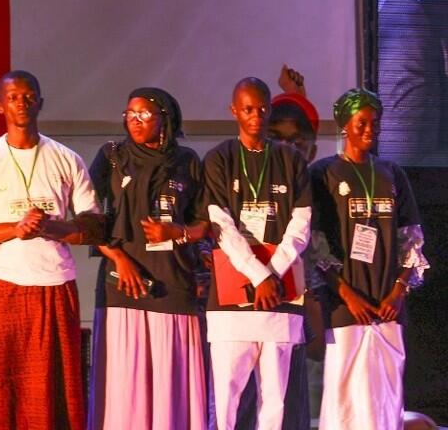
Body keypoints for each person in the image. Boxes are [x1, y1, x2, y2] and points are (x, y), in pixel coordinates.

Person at [0, 70, 104, 430]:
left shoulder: (66, 159)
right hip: (2, 287)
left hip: (55, 285)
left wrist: (51, 227)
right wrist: (15, 229)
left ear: (40, 102)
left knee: (53, 388)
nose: (22, 102)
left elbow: (94, 228)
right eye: (13, 97)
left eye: (29, 96)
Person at [87, 88, 207, 430]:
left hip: (173, 284)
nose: (135, 121)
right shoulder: (112, 156)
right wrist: (119, 259)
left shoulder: (186, 161)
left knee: (172, 389)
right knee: (125, 388)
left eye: (144, 114)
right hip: (122, 286)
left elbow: (205, 223)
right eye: (130, 114)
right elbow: (88, 219)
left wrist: (177, 233)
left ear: (164, 118)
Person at [310, 89, 429, 429]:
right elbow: (316, 245)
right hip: (346, 306)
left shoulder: (392, 173)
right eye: (361, 122)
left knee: (387, 395)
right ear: (344, 126)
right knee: (346, 397)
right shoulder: (324, 173)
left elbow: (412, 238)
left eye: (375, 123)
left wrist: (398, 291)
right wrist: (347, 294)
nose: (370, 129)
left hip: (387, 305)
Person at [201, 77, 312, 430]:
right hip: (233, 301)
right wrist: (260, 275)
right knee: (226, 400)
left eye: (262, 109)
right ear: (234, 110)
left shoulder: (290, 158)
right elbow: (221, 226)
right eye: (248, 109)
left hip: (279, 298)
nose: (256, 116)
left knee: (275, 401)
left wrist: (273, 274)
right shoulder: (219, 158)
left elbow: (301, 224)